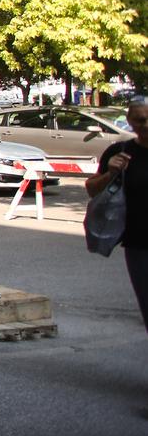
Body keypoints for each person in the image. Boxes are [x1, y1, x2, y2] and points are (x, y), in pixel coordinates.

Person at [88, 99, 148, 333]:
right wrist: (110, 173)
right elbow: (91, 189)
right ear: (130, 122)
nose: (145, 125)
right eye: (139, 120)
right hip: (139, 245)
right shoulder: (121, 153)